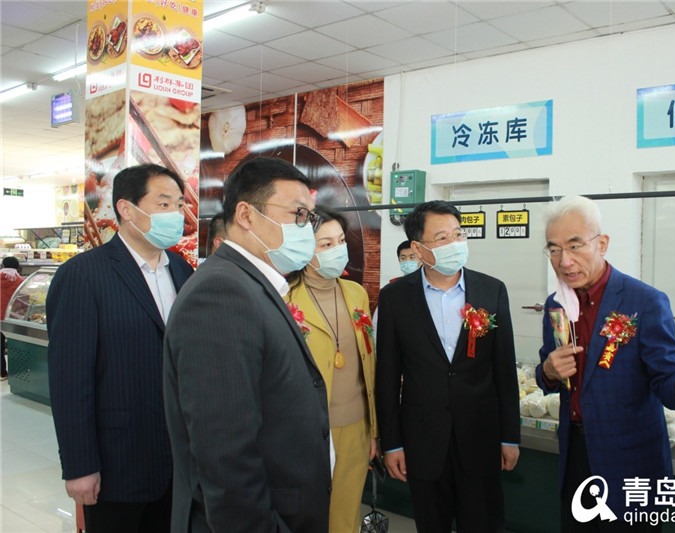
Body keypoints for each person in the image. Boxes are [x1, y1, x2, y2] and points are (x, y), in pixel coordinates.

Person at [535, 195, 675, 531]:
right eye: (554, 249)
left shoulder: (644, 301)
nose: (564, 261)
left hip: (631, 459)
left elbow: (666, 373)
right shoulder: (556, 305)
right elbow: (545, 373)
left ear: (602, 244)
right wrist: (548, 371)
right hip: (577, 452)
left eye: (575, 246)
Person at [163, 157, 331, 532]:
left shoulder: (252, 284)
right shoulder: (221, 293)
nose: (306, 228)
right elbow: (226, 455)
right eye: (298, 214)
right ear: (246, 215)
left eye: (309, 217)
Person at [46, 164, 193, 533]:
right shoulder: (84, 275)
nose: (175, 214)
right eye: (164, 204)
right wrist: (79, 465)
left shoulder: (181, 270)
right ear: (127, 209)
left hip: (178, 461)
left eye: (179, 205)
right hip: (117, 462)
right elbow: (70, 380)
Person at [375, 200, 521, 533]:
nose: (454, 243)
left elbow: (504, 370)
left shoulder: (491, 290)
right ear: (418, 248)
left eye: (458, 234)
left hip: (481, 435)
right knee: (432, 524)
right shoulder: (395, 298)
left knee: (484, 524)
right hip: (423, 438)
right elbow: (387, 375)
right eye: (442, 238)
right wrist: (392, 442)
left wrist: (509, 436)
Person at [285, 205, 378, 533]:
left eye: (340, 241)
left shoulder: (356, 294)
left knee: (345, 515)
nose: (337, 250)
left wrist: (374, 430)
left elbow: (368, 362)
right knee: (307, 516)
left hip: (355, 427)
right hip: (307, 431)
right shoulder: (285, 299)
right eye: (326, 244)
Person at [1, 256, 25, 380]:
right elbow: (25, 300)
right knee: (16, 345)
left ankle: (2, 373)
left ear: (3, 266)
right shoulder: (20, 281)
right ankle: (18, 373)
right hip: (14, 318)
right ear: (17, 267)